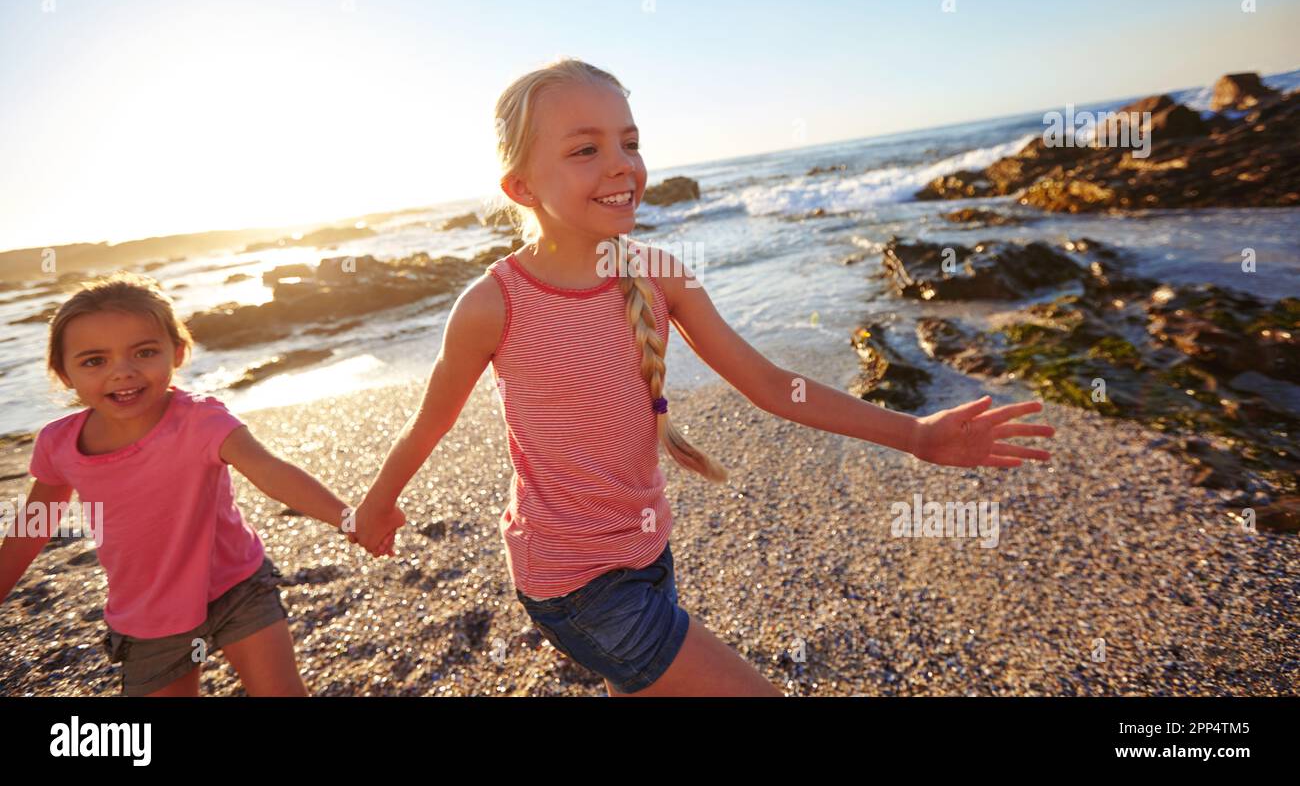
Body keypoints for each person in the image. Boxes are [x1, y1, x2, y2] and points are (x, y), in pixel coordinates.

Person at [351, 57, 1055, 696]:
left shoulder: (658, 276)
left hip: (648, 549)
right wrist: (378, 504)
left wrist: (915, 435)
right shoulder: (493, 304)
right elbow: (432, 419)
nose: (622, 164)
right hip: (572, 581)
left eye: (630, 142)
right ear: (521, 185)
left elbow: (774, 385)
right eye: (585, 149)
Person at [0, 272, 398, 696]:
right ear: (63, 372)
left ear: (178, 352)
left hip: (238, 586)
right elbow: (36, 523)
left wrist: (350, 518)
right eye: (94, 361)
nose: (123, 372)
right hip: (147, 614)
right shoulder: (59, 443)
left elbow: (269, 470)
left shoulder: (201, 420)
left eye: (144, 352)